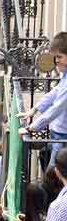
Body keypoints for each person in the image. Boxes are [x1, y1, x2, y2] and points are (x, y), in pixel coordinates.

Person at [21, 31, 67, 166]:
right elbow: (55, 92)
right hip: (59, 133)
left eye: (59, 56)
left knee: (54, 174)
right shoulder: (65, 74)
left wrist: (31, 128)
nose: (56, 61)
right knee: (48, 162)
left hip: (63, 135)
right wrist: (34, 109)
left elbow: (57, 108)